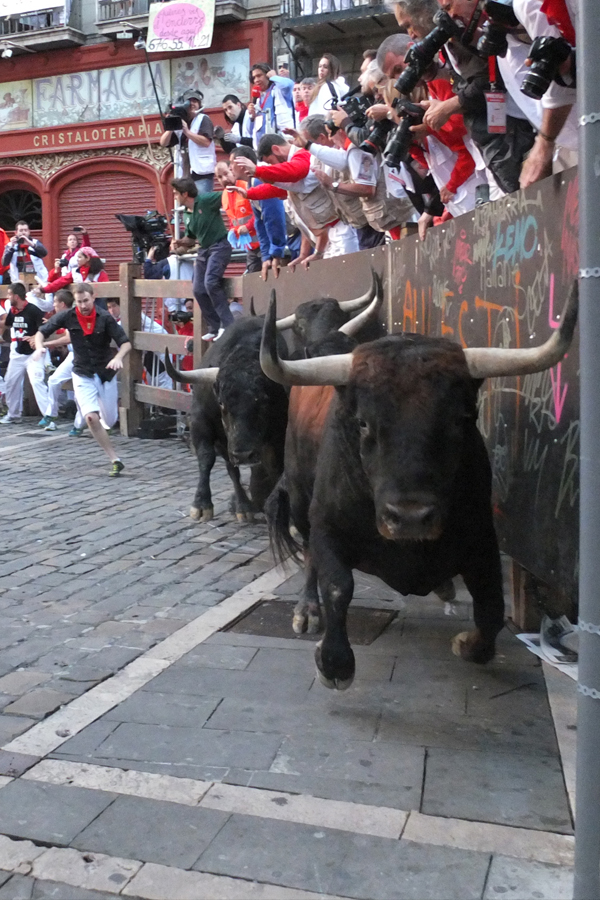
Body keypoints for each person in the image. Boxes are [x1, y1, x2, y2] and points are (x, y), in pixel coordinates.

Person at [33, 283, 131, 476]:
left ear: (93, 298)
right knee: (90, 417)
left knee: (109, 420)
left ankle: (106, 427)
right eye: (79, 302)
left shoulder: (104, 317)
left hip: (105, 373)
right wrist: (39, 347)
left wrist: (118, 358)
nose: (83, 305)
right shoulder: (67, 315)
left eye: (86, 300)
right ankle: (114, 459)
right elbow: (42, 331)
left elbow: (125, 343)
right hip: (82, 372)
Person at [171, 176, 233, 342]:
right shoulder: (186, 214)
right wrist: (179, 244)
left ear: (185, 194)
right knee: (198, 289)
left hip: (219, 246)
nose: (174, 197)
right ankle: (214, 326)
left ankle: (228, 324)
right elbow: (191, 239)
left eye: (176, 194)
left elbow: (226, 195)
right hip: (204, 250)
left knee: (211, 283)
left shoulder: (205, 200)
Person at [230, 145, 295, 281]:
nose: (230, 168)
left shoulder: (259, 181)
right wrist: (266, 256)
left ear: (242, 164)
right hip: (289, 237)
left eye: (231, 163)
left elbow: (274, 218)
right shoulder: (250, 184)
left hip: (295, 235)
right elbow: (260, 223)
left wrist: (276, 252)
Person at [35, 289, 80, 432]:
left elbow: (68, 338)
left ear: (62, 304)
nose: (53, 305)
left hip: (84, 356)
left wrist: (47, 344)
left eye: (55, 302)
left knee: (81, 390)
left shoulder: (73, 315)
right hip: (73, 355)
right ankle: (51, 414)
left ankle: (80, 424)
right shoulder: (63, 316)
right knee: (53, 380)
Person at [0, 282, 44, 425]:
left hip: (33, 354)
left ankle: (49, 416)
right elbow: (7, 324)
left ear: (16, 296)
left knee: (37, 382)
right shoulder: (13, 311)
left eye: (9, 294)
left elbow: (44, 328)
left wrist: (35, 337)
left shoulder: (33, 310)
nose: (7, 297)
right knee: (10, 382)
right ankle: (13, 414)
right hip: (18, 353)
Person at [160, 90, 216, 192]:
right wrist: (171, 125)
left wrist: (187, 132)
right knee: (189, 206)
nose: (193, 104)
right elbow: (164, 142)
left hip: (202, 173)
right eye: (189, 101)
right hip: (185, 175)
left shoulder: (203, 119)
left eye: (196, 101)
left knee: (201, 204)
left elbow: (206, 142)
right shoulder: (181, 122)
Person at [215, 161, 262, 275]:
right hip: (251, 247)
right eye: (220, 177)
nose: (224, 179)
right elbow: (233, 219)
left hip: (263, 242)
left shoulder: (246, 186)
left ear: (232, 170)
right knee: (252, 279)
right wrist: (232, 230)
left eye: (226, 173)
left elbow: (260, 212)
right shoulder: (224, 195)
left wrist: (248, 226)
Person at [247, 63, 296, 150]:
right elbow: (249, 131)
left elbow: (289, 85)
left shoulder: (279, 90)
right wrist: (252, 117)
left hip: (283, 143)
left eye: (259, 76)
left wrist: (274, 77)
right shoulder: (258, 100)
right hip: (264, 148)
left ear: (267, 75)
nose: (256, 80)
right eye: (254, 78)